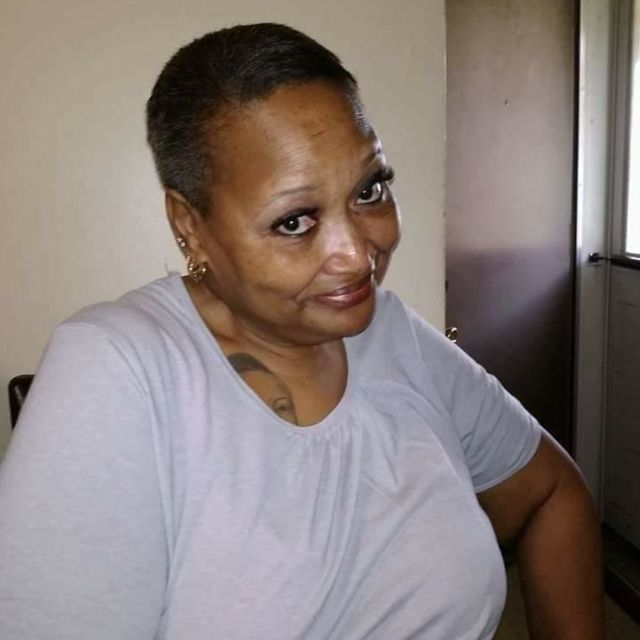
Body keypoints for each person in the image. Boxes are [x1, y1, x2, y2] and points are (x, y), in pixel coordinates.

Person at [0, 23, 604, 640]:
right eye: (294, 221)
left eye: (370, 189)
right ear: (190, 226)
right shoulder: (118, 368)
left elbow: (550, 494)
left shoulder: (390, 332)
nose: (358, 255)